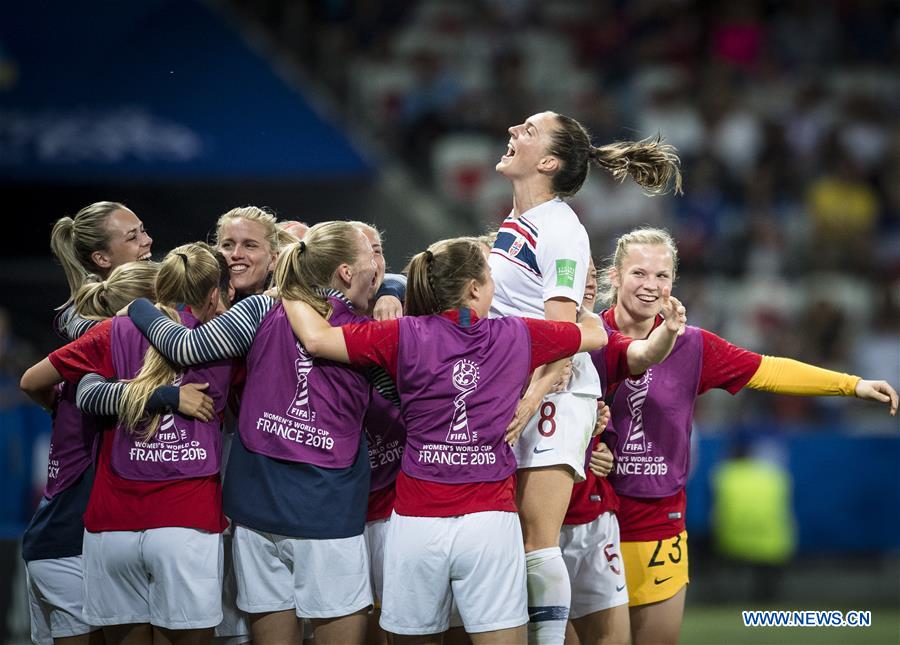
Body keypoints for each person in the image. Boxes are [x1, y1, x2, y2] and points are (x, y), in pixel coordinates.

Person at [280, 236, 686, 644]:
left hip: (417, 520)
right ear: (474, 288)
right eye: (490, 277)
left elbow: (316, 339)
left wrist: (287, 284)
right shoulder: (513, 334)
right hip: (489, 521)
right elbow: (594, 333)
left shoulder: (401, 334)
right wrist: (572, 300)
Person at [587, 227, 897, 645]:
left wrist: (852, 385)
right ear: (614, 277)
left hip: (660, 520)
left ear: (673, 283)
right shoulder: (585, 338)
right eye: (639, 273)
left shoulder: (692, 345)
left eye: (662, 276)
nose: (651, 286)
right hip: (591, 517)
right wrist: (584, 450)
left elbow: (768, 370)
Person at [113, 222, 381, 644]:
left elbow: (186, 347)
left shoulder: (260, 310)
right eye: (373, 260)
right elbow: (408, 399)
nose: (380, 270)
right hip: (327, 514)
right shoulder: (371, 335)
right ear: (347, 272)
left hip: (256, 513)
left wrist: (139, 308)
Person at [490, 110, 681, 643]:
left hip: (554, 391)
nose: (512, 131)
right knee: (521, 538)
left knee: (537, 537)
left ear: (548, 162)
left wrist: (531, 399)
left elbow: (562, 331)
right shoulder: (519, 223)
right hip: (524, 391)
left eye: (526, 130)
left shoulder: (559, 228)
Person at [21, 243, 234, 645]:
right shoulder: (225, 337)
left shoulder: (112, 331)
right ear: (213, 293)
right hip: (184, 522)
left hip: (111, 528)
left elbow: (61, 387)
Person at [21, 260, 166, 645]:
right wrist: (55, 405)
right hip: (65, 543)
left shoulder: (121, 351)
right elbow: (30, 380)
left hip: (76, 538)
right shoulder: (103, 342)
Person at [50, 201, 153, 339]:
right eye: (133, 237)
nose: (148, 240)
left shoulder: (173, 281)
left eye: (143, 230)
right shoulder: (78, 318)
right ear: (102, 258)